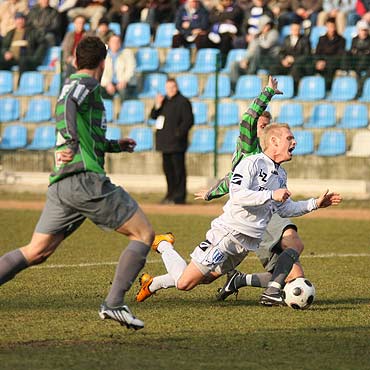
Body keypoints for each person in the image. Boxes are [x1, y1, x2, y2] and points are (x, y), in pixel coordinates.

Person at [0, 36, 154, 330]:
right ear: (103, 63)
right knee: (144, 233)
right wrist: (71, 138)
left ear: (74, 58)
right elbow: (68, 105)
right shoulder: (87, 84)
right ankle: (113, 304)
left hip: (63, 183)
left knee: (37, 251)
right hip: (85, 180)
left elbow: (85, 131)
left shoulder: (75, 84)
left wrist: (114, 145)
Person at [135, 123, 342, 305]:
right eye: (289, 138)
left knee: (206, 278)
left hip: (245, 244)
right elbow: (238, 194)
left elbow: (284, 209)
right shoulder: (251, 163)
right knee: (184, 283)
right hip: (227, 236)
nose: (294, 142)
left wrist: (315, 203)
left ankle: (151, 284)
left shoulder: (280, 174)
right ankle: (163, 245)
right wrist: (271, 194)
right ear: (274, 141)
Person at [191, 76, 308, 303]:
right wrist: (267, 93)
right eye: (260, 126)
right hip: (253, 215)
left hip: (271, 211)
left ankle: (249, 283)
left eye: (267, 126)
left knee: (295, 272)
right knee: (204, 277)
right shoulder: (248, 148)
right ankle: (257, 286)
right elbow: (247, 120)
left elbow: (230, 181)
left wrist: (210, 193)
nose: (263, 130)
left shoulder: (268, 157)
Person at [150, 78, 194, 205]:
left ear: (177, 87)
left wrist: (178, 133)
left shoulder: (183, 102)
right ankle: (170, 195)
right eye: (168, 87)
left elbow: (188, 121)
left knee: (178, 170)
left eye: (173, 87)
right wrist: (157, 104)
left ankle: (179, 197)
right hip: (164, 143)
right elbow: (153, 116)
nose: (170, 90)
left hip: (177, 144)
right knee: (168, 171)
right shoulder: (163, 101)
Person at [230, 15, 280, 84]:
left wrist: (256, 41)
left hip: (269, 60)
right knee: (234, 64)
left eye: (268, 25)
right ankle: (234, 86)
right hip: (255, 61)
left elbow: (266, 45)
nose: (267, 27)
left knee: (257, 48)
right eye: (265, 25)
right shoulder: (258, 36)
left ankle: (250, 72)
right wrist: (245, 59)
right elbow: (250, 49)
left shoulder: (273, 33)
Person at [0, 12, 48, 78]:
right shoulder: (10, 33)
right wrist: (6, 52)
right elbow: (4, 46)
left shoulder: (32, 32)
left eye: (21, 19)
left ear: (25, 20)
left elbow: (43, 43)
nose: (19, 21)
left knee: (23, 62)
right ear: (15, 21)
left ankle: (20, 85)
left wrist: (36, 58)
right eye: (18, 19)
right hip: (12, 58)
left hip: (26, 58)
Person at [269, 21, 311, 93]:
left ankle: (293, 91)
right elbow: (281, 52)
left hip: (298, 64)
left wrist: (294, 60)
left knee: (295, 70)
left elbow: (306, 55)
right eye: (294, 29)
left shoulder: (305, 40)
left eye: (297, 29)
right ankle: (274, 89)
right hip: (286, 62)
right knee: (274, 67)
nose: (295, 31)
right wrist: (283, 60)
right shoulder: (286, 39)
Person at [100, 33, 137, 100]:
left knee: (124, 93)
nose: (116, 43)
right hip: (109, 83)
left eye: (118, 41)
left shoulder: (127, 53)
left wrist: (124, 81)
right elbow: (101, 71)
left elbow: (131, 69)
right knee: (99, 92)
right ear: (109, 43)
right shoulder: (104, 55)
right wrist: (107, 83)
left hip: (124, 83)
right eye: (113, 42)